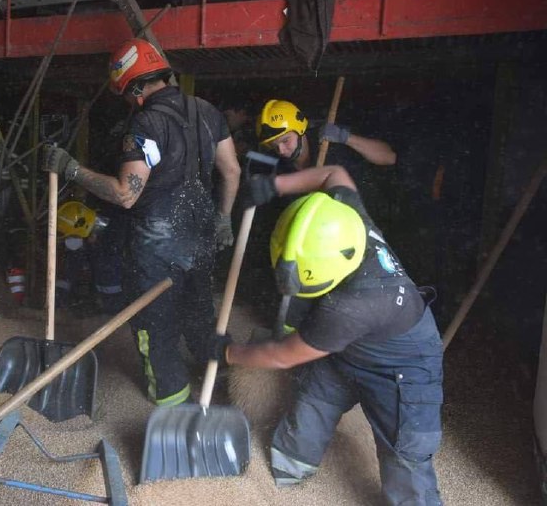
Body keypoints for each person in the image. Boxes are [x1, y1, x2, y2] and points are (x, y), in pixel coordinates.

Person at [210, 165, 443, 505]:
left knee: (406, 456)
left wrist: (229, 353)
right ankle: (288, 474)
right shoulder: (349, 219)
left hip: (402, 367)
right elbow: (333, 172)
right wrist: (273, 185)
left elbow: (281, 355)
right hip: (347, 352)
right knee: (306, 419)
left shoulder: (349, 307)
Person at [42, 38, 241, 406]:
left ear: (134, 88)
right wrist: (224, 219)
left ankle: (172, 399)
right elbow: (231, 170)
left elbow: (125, 193)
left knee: (155, 324)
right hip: (200, 237)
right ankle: (223, 380)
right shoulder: (207, 111)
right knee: (199, 312)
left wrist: (71, 169)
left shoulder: (145, 122)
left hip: (157, 246)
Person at [256, 99, 396, 172]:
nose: (281, 150)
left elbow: (389, 157)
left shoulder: (331, 141)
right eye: (274, 146)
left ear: (300, 129)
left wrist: (346, 138)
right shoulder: (279, 169)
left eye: (285, 140)